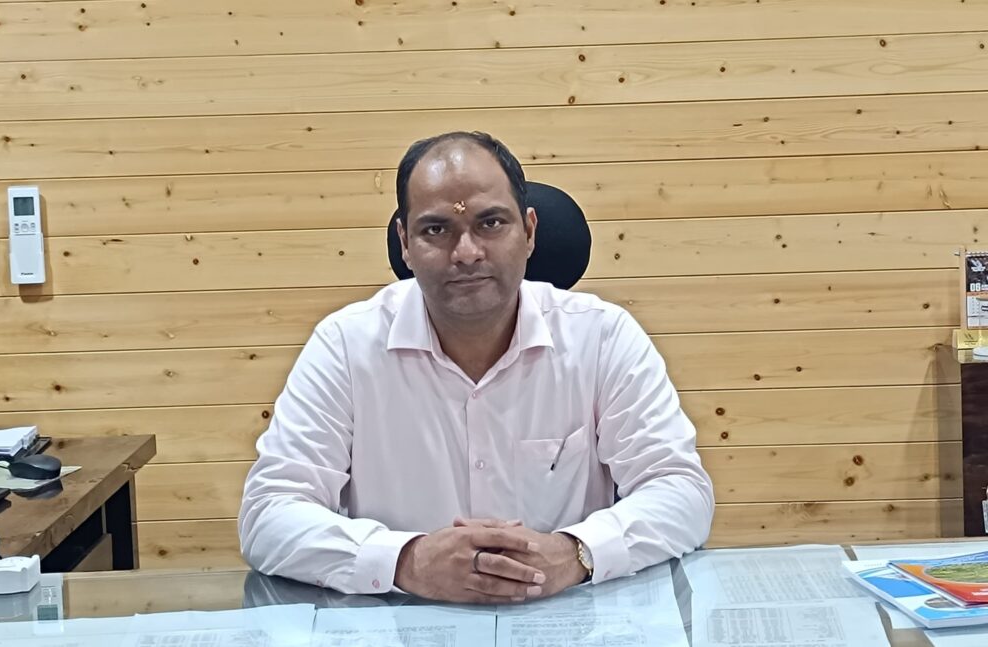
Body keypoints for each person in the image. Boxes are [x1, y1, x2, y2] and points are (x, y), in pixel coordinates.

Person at [238, 131, 714, 605]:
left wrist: (576, 553)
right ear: (405, 243)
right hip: (402, 619)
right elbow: (269, 513)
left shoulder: (602, 337)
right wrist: (406, 561)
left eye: (491, 223)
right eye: (436, 230)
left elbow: (681, 491)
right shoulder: (346, 346)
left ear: (529, 232)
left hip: (566, 617)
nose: (466, 252)